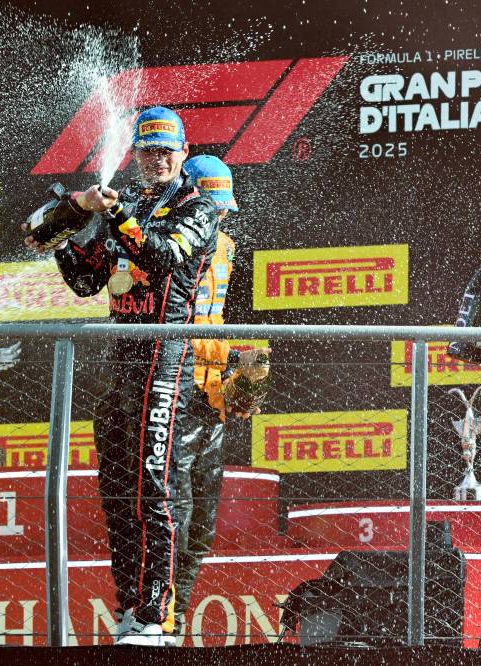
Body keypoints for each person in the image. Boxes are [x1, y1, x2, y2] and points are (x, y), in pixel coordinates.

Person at [24, 106, 220, 646]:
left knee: (153, 488)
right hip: (122, 365)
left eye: (165, 150)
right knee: (117, 494)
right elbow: (87, 283)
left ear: (182, 154)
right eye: (147, 150)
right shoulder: (128, 202)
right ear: (134, 154)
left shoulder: (199, 208)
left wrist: (114, 219)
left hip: (164, 360)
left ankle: (158, 615)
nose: (155, 159)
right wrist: (60, 235)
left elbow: (159, 260)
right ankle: (130, 608)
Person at [173, 155, 270, 642]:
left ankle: (175, 621)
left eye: (222, 210)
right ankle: (159, 621)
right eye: (211, 209)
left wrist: (245, 375)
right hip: (173, 388)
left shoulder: (227, 247)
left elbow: (220, 328)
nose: (219, 218)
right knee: (176, 516)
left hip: (210, 399)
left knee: (203, 528)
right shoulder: (170, 246)